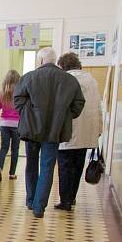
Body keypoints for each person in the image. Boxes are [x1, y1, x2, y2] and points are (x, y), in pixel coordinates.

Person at [14, 47, 85, 218]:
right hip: (54, 130)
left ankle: (31, 201)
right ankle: (39, 208)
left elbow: (18, 100)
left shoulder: (29, 77)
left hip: (32, 129)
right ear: (55, 60)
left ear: (40, 61)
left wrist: (28, 113)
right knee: (47, 167)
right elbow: (78, 104)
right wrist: (64, 117)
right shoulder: (69, 80)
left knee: (31, 164)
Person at [56, 52, 102, 211]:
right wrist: (99, 129)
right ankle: (72, 197)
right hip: (88, 131)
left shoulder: (67, 80)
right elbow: (98, 106)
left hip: (70, 131)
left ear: (63, 66)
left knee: (65, 166)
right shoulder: (92, 80)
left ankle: (65, 200)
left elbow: (62, 106)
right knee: (77, 166)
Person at [0, 70, 21, 182]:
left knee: (4, 147)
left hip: (4, 124)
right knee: (15, 149)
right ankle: (12, 173)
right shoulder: (20, 93)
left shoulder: (2, 93)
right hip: (17, 125)